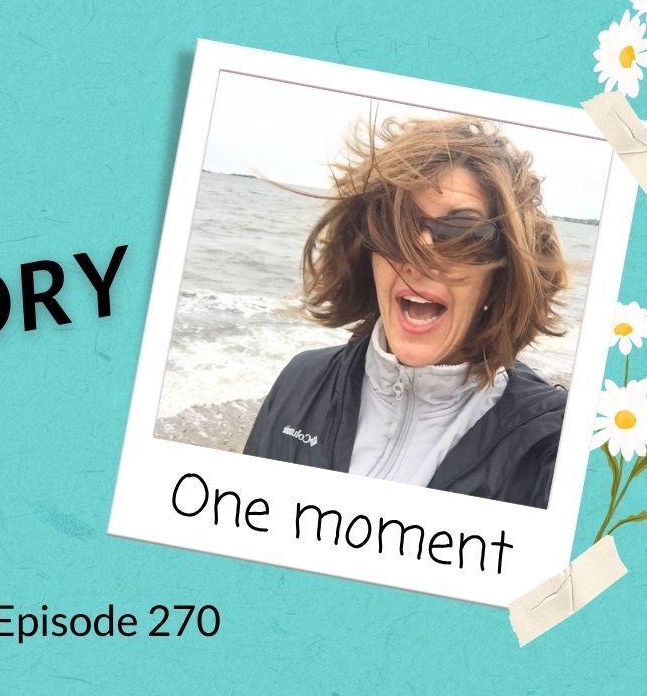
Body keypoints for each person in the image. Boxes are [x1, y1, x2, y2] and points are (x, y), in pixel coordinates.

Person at [243, 116, 570, 508]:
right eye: (394, 227)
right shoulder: (302, 381)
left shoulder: (550, 444)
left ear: (504, 273)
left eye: (462, 233)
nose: (419, 259)